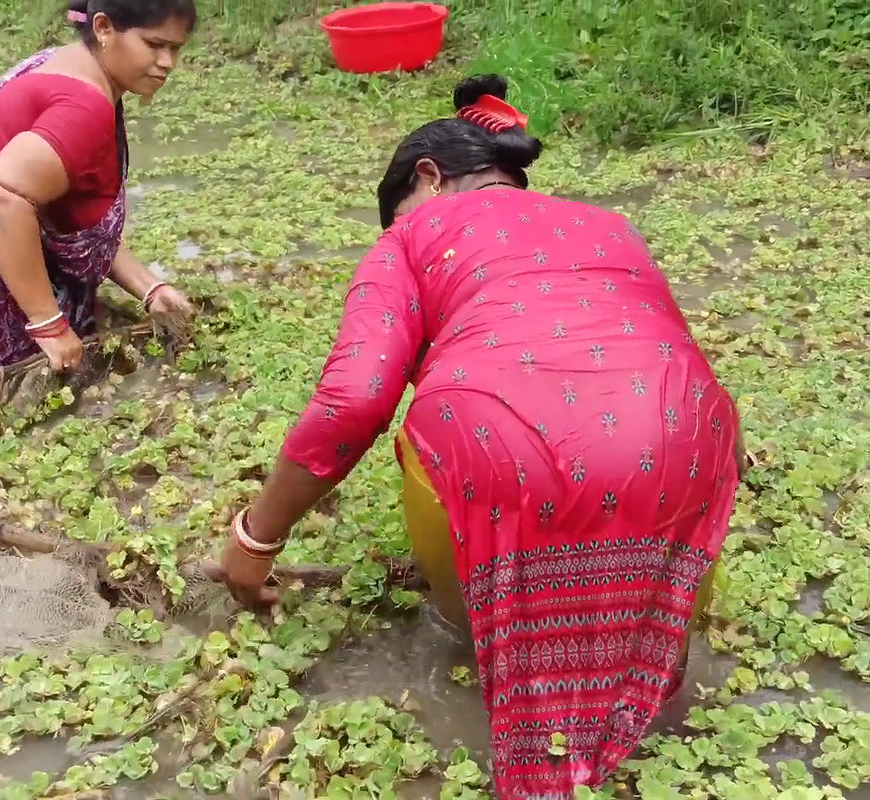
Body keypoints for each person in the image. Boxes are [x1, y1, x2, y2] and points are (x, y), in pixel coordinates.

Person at [217, 74, 750, 798]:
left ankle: (478, 668)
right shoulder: (611, 224)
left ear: (428, 178)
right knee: (656, 668)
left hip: (500, 452)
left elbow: (355, 398)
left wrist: (255, 540)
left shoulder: (411, 235)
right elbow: (667, 344)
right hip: (689, 442)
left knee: (454, 533)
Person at [0, 0, 197, 397]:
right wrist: (50, 325)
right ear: (104, 27)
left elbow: (70, 221)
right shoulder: (85, 108)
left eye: (176, 48)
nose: (167, 62)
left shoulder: (61, 63)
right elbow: (3, 198)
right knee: (26, 406)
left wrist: (151, 289)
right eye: (154, 44)